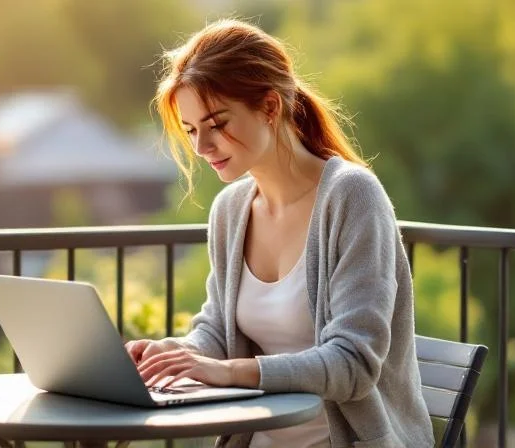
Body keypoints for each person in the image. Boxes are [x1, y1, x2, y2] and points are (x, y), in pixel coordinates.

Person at [124, 18, 434, 448]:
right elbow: (217, 329)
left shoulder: (352, 198)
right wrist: (175, 354)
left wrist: (231, 371)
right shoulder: (230, 211)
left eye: (217, 123)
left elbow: (355, 365)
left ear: (270, 107)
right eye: (193, 130)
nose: (202, 147)